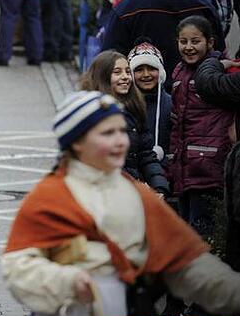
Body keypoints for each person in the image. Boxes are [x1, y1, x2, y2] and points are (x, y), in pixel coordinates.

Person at [2, 91, 240, 316]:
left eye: (122, 131)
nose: (120, 141)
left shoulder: (138, 196)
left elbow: (187, 265)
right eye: (107, 133)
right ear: (77, 143)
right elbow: (17, 268)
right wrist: (67, 281)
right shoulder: (49, 197)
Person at [169, 16, 234, 240]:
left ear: (210, 43)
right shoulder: (178, 72)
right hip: (184, 168)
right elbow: (177, 124)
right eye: (183, 41)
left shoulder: (220, 73)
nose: (188, 47)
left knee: (202, 236)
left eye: (195, 41)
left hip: (209, 168)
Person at [80, 51, 168, 194]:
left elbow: (146, 155)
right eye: (117, 72)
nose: (125, 77)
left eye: (128, 71)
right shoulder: (92, 113)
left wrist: (159, 186)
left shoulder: (135, 109)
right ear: (103, 77)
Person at [127, 41, 172, 161]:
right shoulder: (125, 105)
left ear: (161, 72)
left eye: (152, 68)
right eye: (139, 70)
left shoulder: (171, 104)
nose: (146, 75)